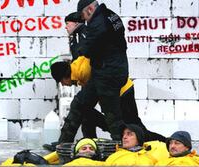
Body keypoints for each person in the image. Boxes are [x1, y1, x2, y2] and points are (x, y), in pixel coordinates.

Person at [58, 0, 129, 146]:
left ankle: (123, 148)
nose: (83, 19)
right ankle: (63, 145)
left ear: (90, 9)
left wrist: (82, 48)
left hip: (108, 74)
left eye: (83, 14)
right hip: (105, 72)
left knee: (112, 116)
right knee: (79, 104)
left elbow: (86, 50)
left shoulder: (98, 22)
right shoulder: (111, 15)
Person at [105, 124, 169, 166]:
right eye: (123, 134)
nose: (124, 137)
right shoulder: (115, 156)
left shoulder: (153, 153)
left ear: (138, 138)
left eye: (129, 134)